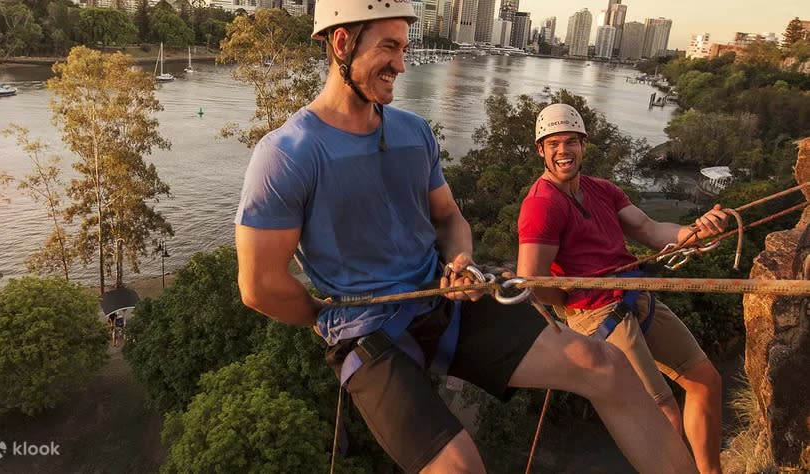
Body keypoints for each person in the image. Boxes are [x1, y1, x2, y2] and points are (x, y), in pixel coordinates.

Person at [234, 2, 696, 472]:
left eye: (404, 48)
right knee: (458, 468)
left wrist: (460, 260)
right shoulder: (287, 154)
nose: (402, 63)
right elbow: (260, 286)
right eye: (389, 47)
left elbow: (450, 218)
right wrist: (324, 318)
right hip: (368, 332)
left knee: (607, 367)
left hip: (444, 301)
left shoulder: (413, 132)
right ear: (341, 43)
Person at [517, 103, 726, 474]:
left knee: (705, 381)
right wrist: (571, 302)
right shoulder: (541, 205)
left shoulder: (603, 191)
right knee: (660, 415)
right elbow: (532, 281)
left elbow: (648, 230)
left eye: (570, 142)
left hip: (634, 295)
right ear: (541, 150)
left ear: (583, 145)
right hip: (596, 313)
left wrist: (692, 233)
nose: (562, 151)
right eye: (553, 144)